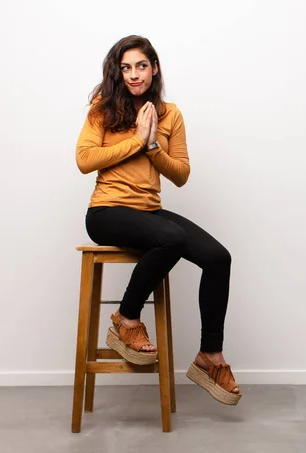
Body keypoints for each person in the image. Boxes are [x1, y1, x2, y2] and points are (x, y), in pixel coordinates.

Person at [76, 35, 241, 405]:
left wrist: (153, 147)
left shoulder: (170, 114)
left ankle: (209, 356)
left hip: (148, 211)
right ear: (117, 72)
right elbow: (85, 160)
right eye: (126, 67)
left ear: (154, 68)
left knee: (218, 258)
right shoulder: (102, 110)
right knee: (171, 238)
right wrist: (136, 139)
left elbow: (181, 174)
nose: (134, 74)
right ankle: (126, 319)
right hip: (106, 212)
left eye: (141, 66)